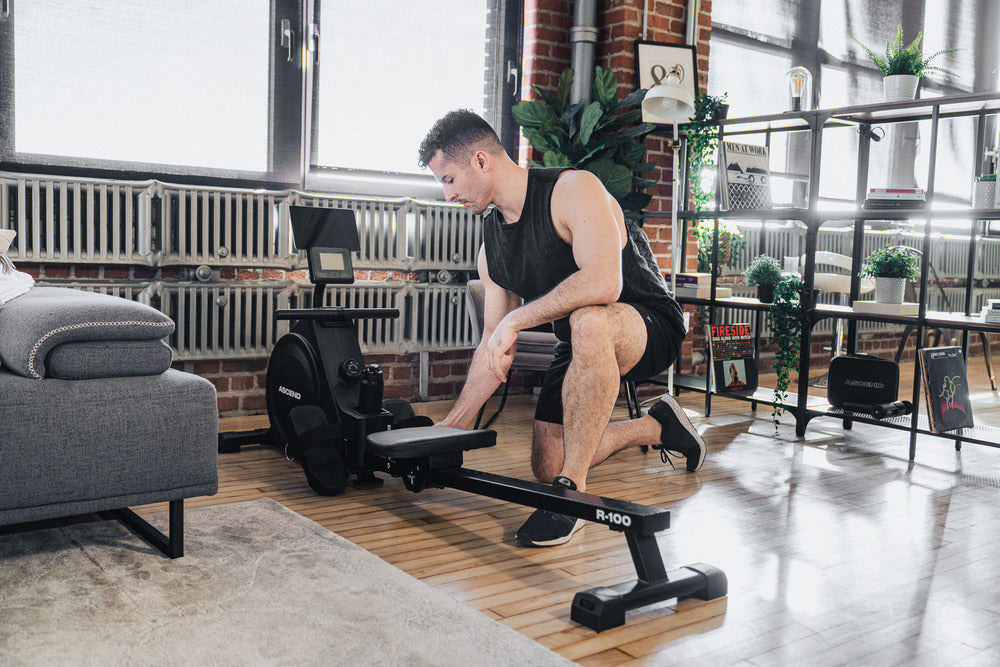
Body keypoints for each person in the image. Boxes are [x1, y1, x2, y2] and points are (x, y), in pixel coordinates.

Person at [417, 110, 706, 547]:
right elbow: (493, 348)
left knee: (587, 318)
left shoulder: (573, 190)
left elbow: (605, 283)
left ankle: (572, 496)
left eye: (448, 179)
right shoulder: (491, 245)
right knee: (546, 463)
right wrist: (450, 428)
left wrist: (516, 319)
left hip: (646, 321)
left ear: (480, 161)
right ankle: (658, 426)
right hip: (580, 341)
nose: (447, 195)